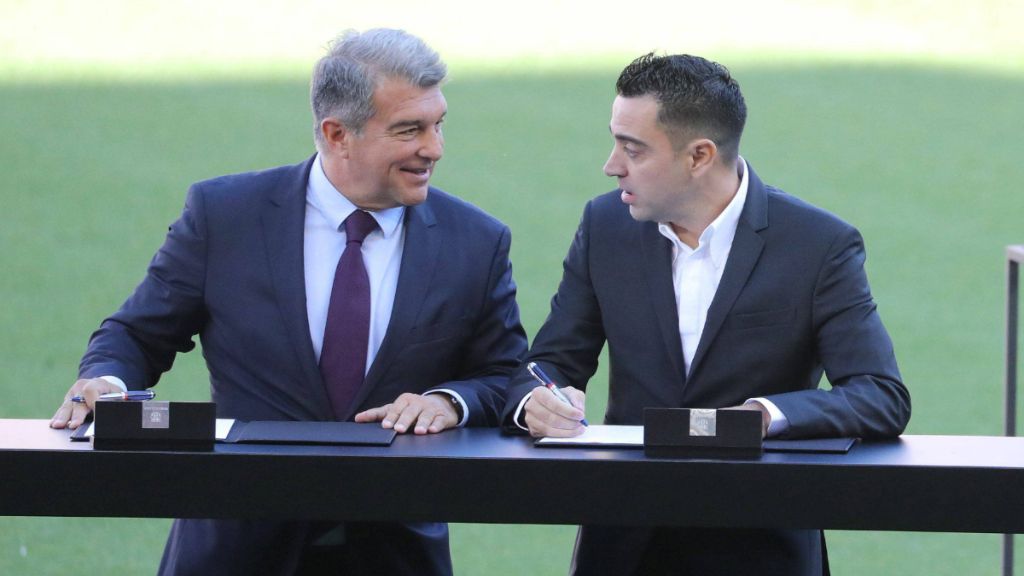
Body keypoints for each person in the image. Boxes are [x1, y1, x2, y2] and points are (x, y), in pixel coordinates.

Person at [49, 28, 527, 576]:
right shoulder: (224, 216)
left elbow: (505, 374)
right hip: (235, 549)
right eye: (409, 129)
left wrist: (449, 401)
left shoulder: (476, 240)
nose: (434, 147)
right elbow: (136, 335)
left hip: (393, 553)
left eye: (438, 124)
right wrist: (107, 383)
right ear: (336, 132)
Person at [501, 53, 911, 575]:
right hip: (624, 545)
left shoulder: (819, 244)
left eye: (633, 149)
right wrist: (536, 399)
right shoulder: (605, 226)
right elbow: (548, 363)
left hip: (760, 548)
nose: (611, 165)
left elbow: (880, 394)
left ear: (699, 156)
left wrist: (766, 416)